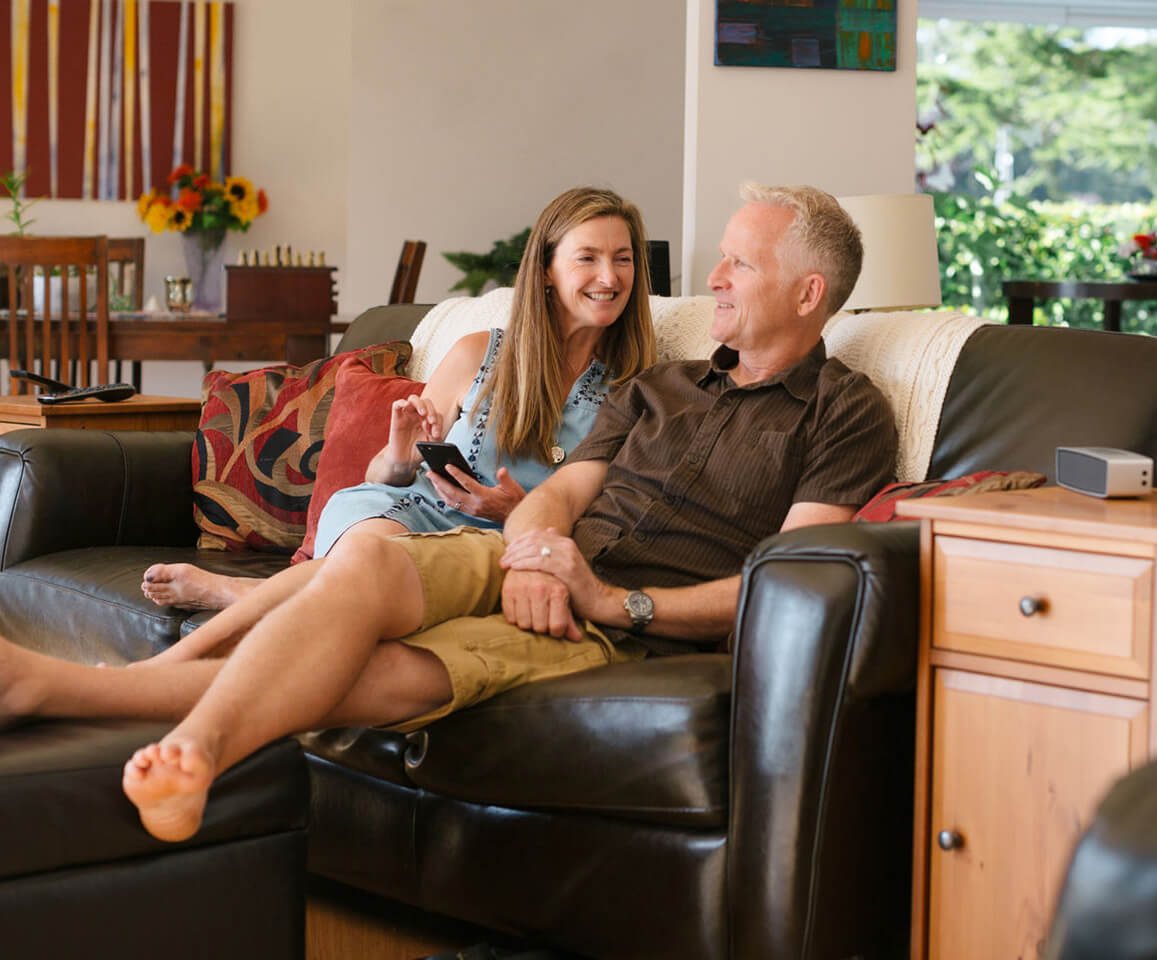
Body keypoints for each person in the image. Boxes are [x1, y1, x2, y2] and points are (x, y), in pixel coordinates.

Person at [0, 183, 897, 844]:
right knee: (367, 562)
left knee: (388, 673)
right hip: (521, 559)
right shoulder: (663, 385)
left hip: (622, 623)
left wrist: (611, 602)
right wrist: (540, 550)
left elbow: (792, 578)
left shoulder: (846, 413)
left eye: (738, 262)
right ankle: (168, 735)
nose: (713, 277)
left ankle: (88, 703)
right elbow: (564, 491)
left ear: (808, 292)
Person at [139, 185, 657, 617]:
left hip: (494, 546)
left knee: (378, 574)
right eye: (587, 258)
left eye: (623, 260)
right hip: (407, 510)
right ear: (546, 269)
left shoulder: (637, 390)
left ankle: (240, 598)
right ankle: (241, 604)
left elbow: (608, 517)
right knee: (373, 551)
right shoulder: (479, 352)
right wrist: (400, 454)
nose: (609, 278)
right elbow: (386, 474)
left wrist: (517, 510)